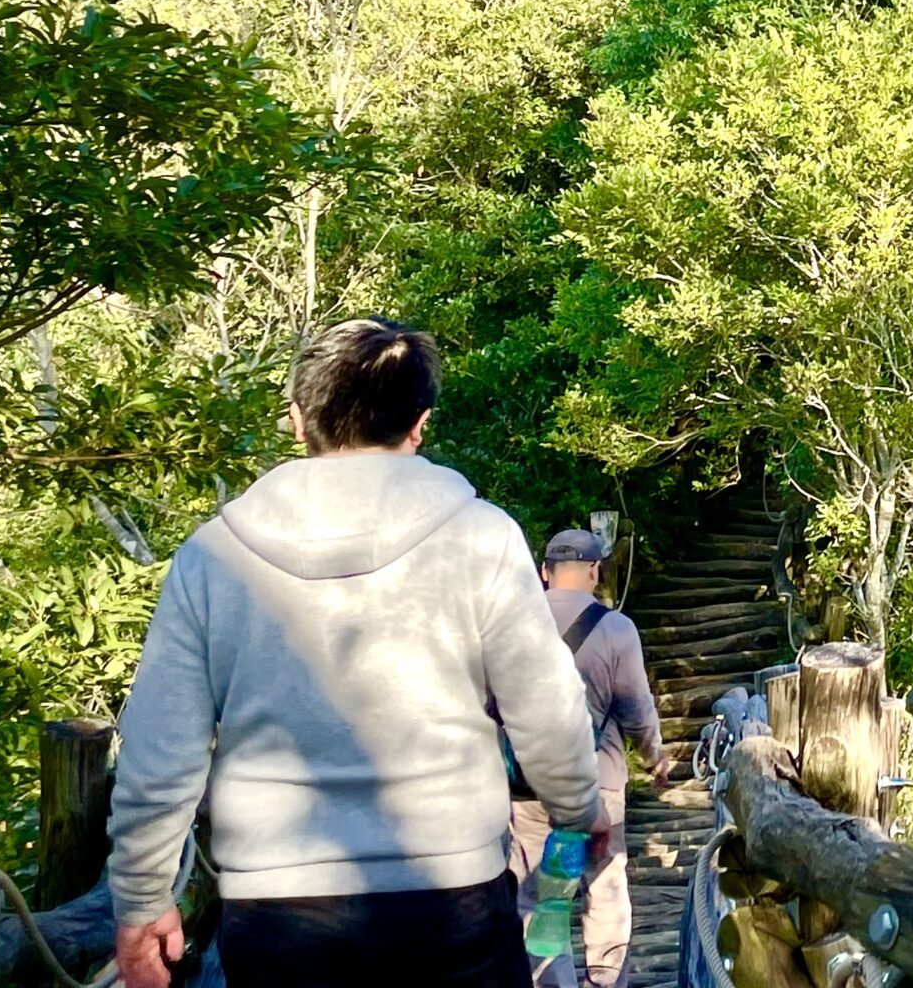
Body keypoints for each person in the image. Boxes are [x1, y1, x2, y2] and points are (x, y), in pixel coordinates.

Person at [106, 319, 605, 988]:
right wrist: (578, 809)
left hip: (276, 907)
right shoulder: (482, 536)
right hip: (451, 892)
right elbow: (546, 707)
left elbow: (159, 749)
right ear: (420, 423)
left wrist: (142, 898)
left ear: (296, 418)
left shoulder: (212, 557)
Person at [509, 528, 672, 988]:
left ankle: (554, 982)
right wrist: (654, 758)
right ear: (595, 572)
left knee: (547, 897)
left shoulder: (513, 625)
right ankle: (605, 980)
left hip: (531, 787)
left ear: (544, 573)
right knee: (603, 886)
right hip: (598, 786)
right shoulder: (616, 629)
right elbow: (637, 709)